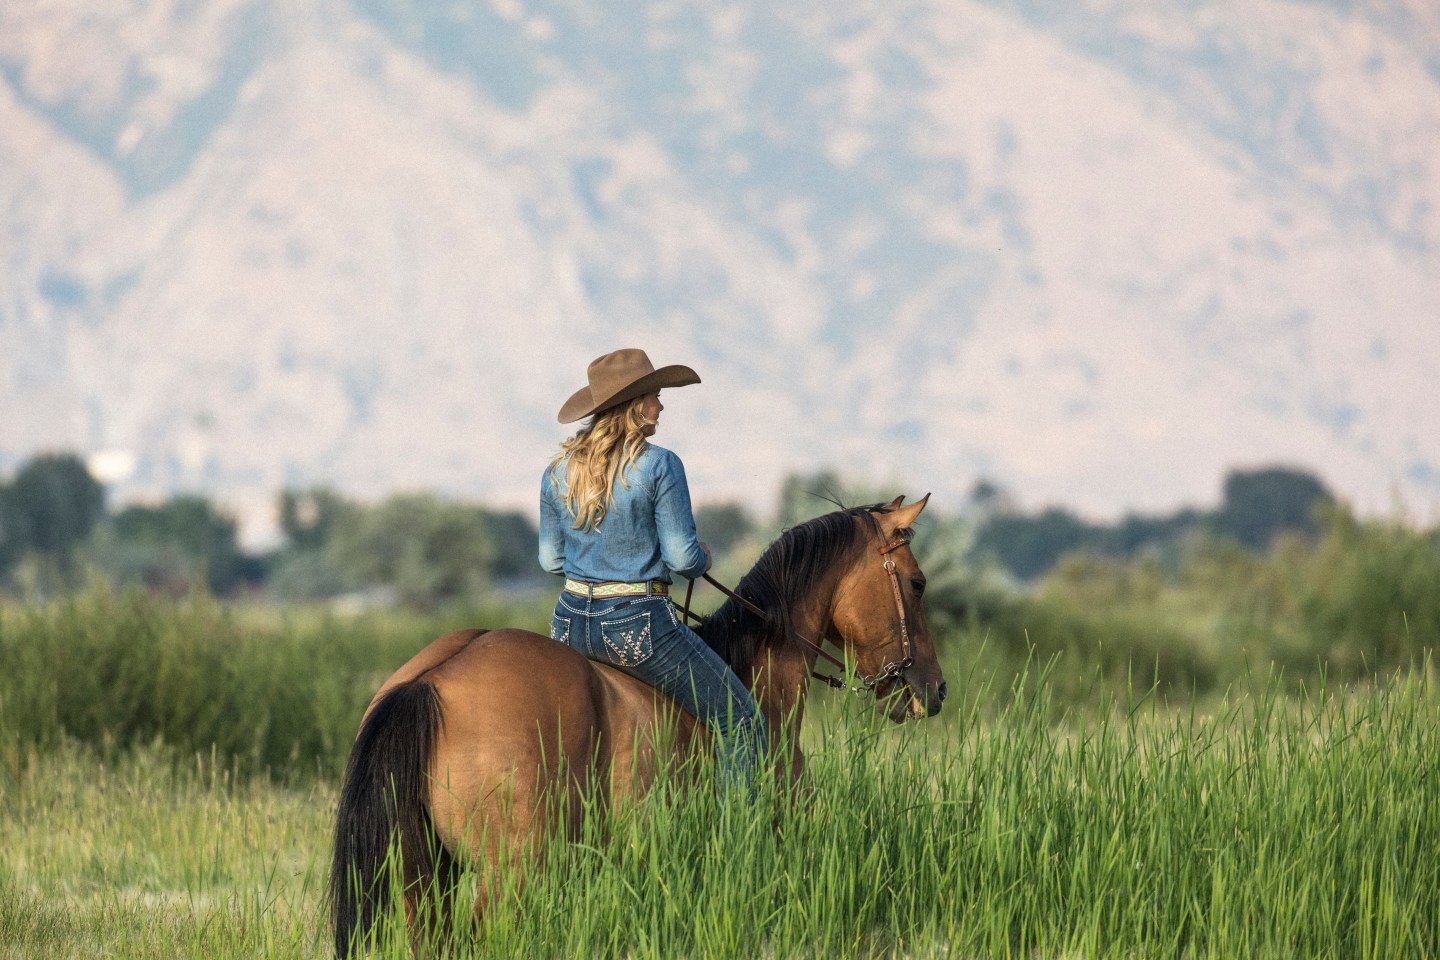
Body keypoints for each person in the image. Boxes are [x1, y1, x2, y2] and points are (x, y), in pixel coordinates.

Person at [539, 347, 766, 791]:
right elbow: (684, 560)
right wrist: (701, 557)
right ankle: (738, 846)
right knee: (743, 724)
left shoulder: (557, 471)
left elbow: (550, 560)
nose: (660, 406)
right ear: (631, 406)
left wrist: (597, 566)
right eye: (654, 397)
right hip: (636, 627)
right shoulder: (661, 464)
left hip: (567, 624)